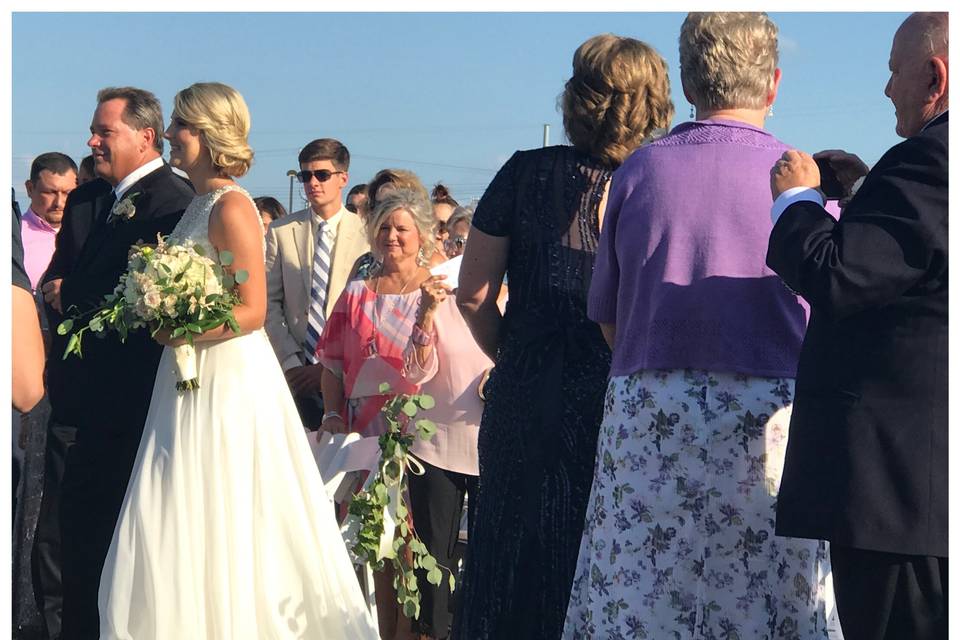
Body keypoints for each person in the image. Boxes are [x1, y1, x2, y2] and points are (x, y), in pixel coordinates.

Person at [563, 14, 841, 639]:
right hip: (770, 416)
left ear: (688, 82)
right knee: (771, 594)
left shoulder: (638, 172)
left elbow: (608, 314)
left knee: (644, 592)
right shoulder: (797, 181)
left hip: (652, 413)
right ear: (772, 84)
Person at [96, 82, 379, 640]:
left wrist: (177, 325)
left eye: (179, 124)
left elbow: (250, 310)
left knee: (226, 503)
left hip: (224, 380)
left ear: (204, 133)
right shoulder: (198, 204)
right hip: (185, 378)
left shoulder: (232, 205)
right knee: (172, 505)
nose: (172, 135)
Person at [453, 33, 673, 640]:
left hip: (524, 388)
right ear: (652, 104)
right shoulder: (655, 183)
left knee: (504, 549)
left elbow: (472, 295)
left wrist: (515, 354)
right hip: (614, 397)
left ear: (576, 99)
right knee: (597, 551)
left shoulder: (522, 172)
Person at [767, 12, 947, 640]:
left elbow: (838, 276)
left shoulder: (933, 160)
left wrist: (797, 200)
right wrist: (867, 196)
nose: (885, 88)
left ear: (934, 76)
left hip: (904, 498)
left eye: (893, 70)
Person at [38, 86, 195, 640]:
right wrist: (63, 289)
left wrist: (73, 291)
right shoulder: (84, 200)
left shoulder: (174, 202)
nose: (92, 140)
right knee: (60, 534)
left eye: (105, 132)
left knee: (116, 539)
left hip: (129, 404)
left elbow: (136, 299)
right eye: (94, 131)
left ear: (146, 136)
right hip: (73, 394)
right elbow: (56, 278)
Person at [317, 188, 438, 639]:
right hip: (364, 433)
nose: (392, 237)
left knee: (413, 541)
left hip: (418, 432)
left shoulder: (437, 289)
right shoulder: (355, 294)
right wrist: (331, 412)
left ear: (421, 233)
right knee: (378, 544)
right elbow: (330, 360)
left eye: (402, 228)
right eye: (384, 227)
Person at [264, 138, 370, 431]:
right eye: (305, 175)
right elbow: (269, 303)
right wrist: (291, 363)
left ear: (343, 178)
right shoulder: (281, 231)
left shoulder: (366, 234)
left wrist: (327, 369)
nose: (313, 182)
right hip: (295, 371)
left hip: (349, 373)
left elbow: (367, 312)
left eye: (322, 174)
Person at [22, 152, 78, 290]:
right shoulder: (14, 236)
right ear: (30, 188)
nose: (59, 203)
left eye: (68, 193)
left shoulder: (90, 232)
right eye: (49, 192)